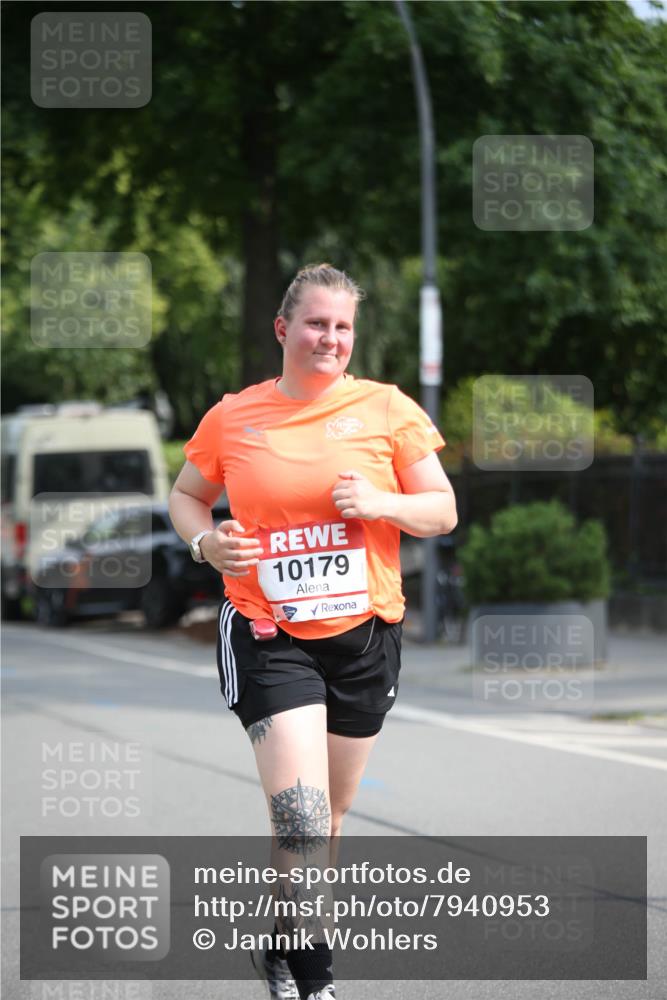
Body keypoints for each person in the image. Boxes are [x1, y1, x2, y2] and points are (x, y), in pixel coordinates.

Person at [168, 263, 457, 1000]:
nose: (330, 338)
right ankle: (312, 978)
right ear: (283, 329)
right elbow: (187, 496)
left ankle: (282, 938)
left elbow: (441, 511)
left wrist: (382, 502)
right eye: (316, 323)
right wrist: (207, 544)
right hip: (269, 634)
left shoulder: (386, 409)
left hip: (363, 637)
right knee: (299, 813)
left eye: (342, 327)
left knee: (327, 815)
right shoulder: (233, 416)